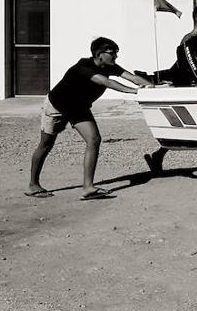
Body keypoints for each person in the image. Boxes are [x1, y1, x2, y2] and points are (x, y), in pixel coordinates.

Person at [27, 36, 153, 200]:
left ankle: (88, 188)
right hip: (57, 106)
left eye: (116, 53)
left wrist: (153, 88)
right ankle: (33, 185)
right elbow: (106, 82)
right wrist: (133, 91)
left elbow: (134, 78)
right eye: (112, 53)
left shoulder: (110, 66)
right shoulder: (84, 67)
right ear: (99, 54)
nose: (115, 56)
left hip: (78, 107)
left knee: (94, 139)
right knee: (45, 144)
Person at [144, 4, 197, 173]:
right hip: (191, 90)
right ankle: (160, 155)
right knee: (188, 130)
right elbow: (191, 67)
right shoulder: (187, 40)